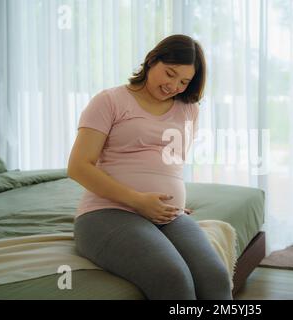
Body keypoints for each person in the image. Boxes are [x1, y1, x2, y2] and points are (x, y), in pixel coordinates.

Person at [68, 34, 233, 300]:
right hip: (106, 213)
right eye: (169, 74)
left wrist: (172, 199)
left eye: (184, 82)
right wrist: (139, 200)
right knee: (171, 277)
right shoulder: (109, 101)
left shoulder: (189, 110)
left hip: (166, 214)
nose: (173, 86)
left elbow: (170, 165)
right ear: (152, 60)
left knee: (214, 276)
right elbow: (78, 167)